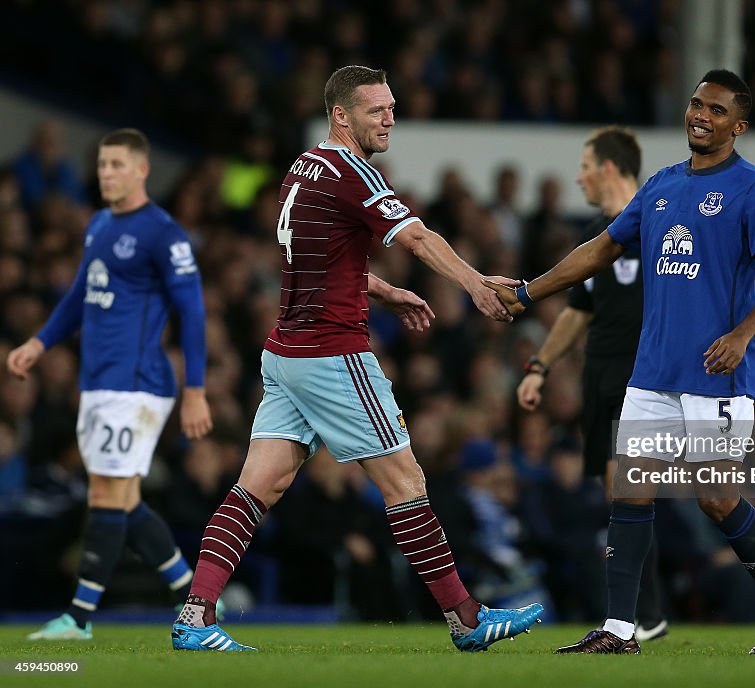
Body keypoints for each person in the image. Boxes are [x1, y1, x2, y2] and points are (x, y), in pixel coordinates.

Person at [171, 65, 542, 653]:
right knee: (407, 481)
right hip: (332, 354)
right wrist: (474, 284)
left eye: (392, 107)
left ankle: (194, 616)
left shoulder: (303, 167)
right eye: (376, 110)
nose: (389, 118)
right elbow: (417, 238)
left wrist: (382, 289)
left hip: (286, 353)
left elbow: (313, 258)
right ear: (341, 115)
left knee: (254, 490)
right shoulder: (353, 173)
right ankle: (466, 620)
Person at [487, 70, 755, 655]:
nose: (699, 116)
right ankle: (619, 630)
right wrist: (530, 291)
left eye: (715, 110)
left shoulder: (753, 189)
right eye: (695, 104)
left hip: (717, 373)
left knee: (715, 497)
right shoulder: (660, 186)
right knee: (631, 493)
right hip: (653, 372)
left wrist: (742, 334)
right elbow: (602, 248)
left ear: (738, 126)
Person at [8, 128, 213, 640]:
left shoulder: (164, 234)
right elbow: (81, 293)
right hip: (101, 384)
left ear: (142, 170)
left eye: (117, 165)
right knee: (124, 499)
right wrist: (40, 342)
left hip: (138, 384)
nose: (106, 174)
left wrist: (196, 388)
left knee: (104, 493)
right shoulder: (98, 224)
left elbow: (192, 312)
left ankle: (77, 620)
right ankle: (196, 604)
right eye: (102, 165)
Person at [516, 126, 668, 640]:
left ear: (608, 167)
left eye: (585, 164)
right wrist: (540, 365)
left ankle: (638, 616)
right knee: (618, 493)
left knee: (629, 491)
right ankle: (646, 614)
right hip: (601, 377)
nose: (578, 175)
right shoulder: (601, 239)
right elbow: (578, 312)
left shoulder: (659, 226)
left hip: (643, 378)